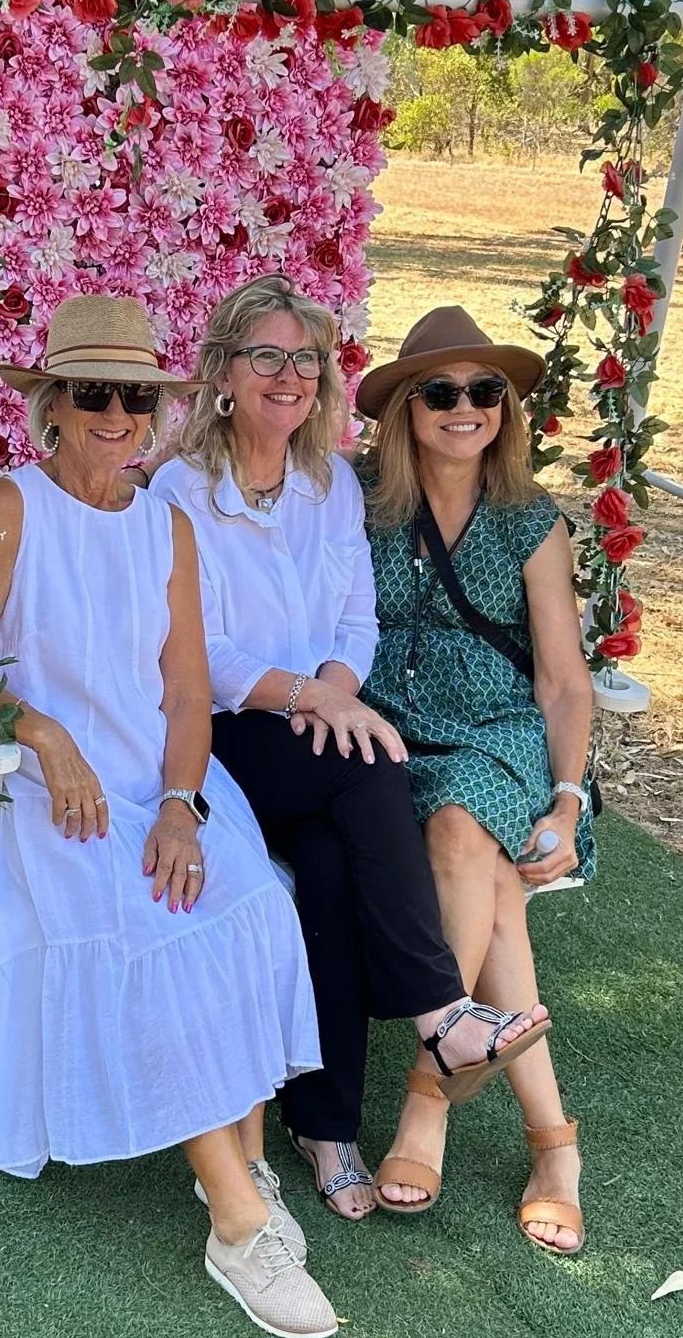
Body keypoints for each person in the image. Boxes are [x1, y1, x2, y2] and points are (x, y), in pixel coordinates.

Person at [0, 294, 341, 1338]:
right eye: (94, 394)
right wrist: (44, 734)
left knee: (254, 909)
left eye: (137, 397)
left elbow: (188, 694)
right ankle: (241, 1221)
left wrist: (187, 809)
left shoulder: (169, 525)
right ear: (52, 406)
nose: (118, 415)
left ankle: (236, 1167)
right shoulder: (2, 507)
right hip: (46, 788)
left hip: (164, 784)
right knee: (152, 932)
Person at [149, 274, 550, 1223]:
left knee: (329, 869)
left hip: (318, 719)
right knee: (375, 761)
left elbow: (355, 613)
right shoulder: (181, 489)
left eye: (307, 358)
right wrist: (316, 704)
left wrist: (334, 694)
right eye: (268, 357)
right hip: (228, 727)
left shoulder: (327, 482)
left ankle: (324, 1126)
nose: (290, 376)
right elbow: (195, 648)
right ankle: (443, 1014)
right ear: (224, 374)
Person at [352, 305, 594, 1251]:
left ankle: (428, 1102)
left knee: (462, 833)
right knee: (495, 888)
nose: (466, 408)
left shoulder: (529, 519)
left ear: (506, 408)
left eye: (485, 390)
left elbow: (563, 678)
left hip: (495, 733)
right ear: (406, 409)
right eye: (441, 391)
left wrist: (568, 800)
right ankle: (553, 1143)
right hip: (385, 731)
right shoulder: (359, 498)